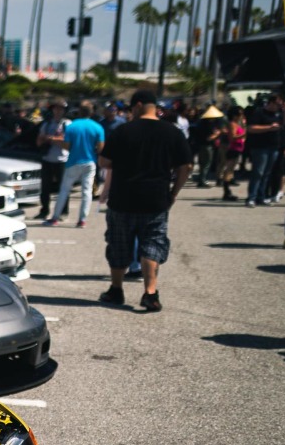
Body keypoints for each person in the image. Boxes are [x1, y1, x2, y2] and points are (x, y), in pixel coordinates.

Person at [97, 89, 193, 313]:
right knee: (152, 243)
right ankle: (150, 292)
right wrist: (174, 192)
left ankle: (116, 289)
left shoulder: (123, 131)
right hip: (156, 198)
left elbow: (104, 161)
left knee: (119, 243)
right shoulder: (172, 132)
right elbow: (186, 166)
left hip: (122, 197)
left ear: (138, 105)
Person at [46, 101, 105, 228]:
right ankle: (82, 220)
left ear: (79, 112)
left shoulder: (72, 126)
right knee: (87, 192)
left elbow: (67, 145)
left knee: (64, 190)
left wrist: (55, 141)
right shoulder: (97, 127)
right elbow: (100, 148)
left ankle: (55, 217)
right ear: (92, 112)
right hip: (90, 161)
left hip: (73, 161)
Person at [244, 94, 282, 208]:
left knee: (266, 174)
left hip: (274, 147)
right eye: (277, 104)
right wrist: (269, 127)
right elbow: (251, 128)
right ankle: (251, 197)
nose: (278, 106)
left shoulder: (278, 114)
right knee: (258, 173)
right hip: (260, 147)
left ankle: (262, 197)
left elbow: (284, 124)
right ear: (271, 103)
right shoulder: (259, 112)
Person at [36, 99, 70, 221]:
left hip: (62, 159)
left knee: (63, 187)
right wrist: (51, 139)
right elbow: (39, 141)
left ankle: (63, 211)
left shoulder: (67, 124)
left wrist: (52, 139)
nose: (58, 111)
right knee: (45, 187)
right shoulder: (47, 124)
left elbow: (67, 142)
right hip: (47, 158)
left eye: (61, 109)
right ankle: (44, 210)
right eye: (56, 108)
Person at [218, 107, 246, 202]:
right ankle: (226, 191)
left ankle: (227, 191)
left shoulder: (237, 124)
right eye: (240, 114)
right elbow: (232, 137)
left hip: (237, 149)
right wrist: (244, 134)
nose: (241, 116)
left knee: (230, 170)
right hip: (233, 149)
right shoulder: (232, 124)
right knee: (229, 170)